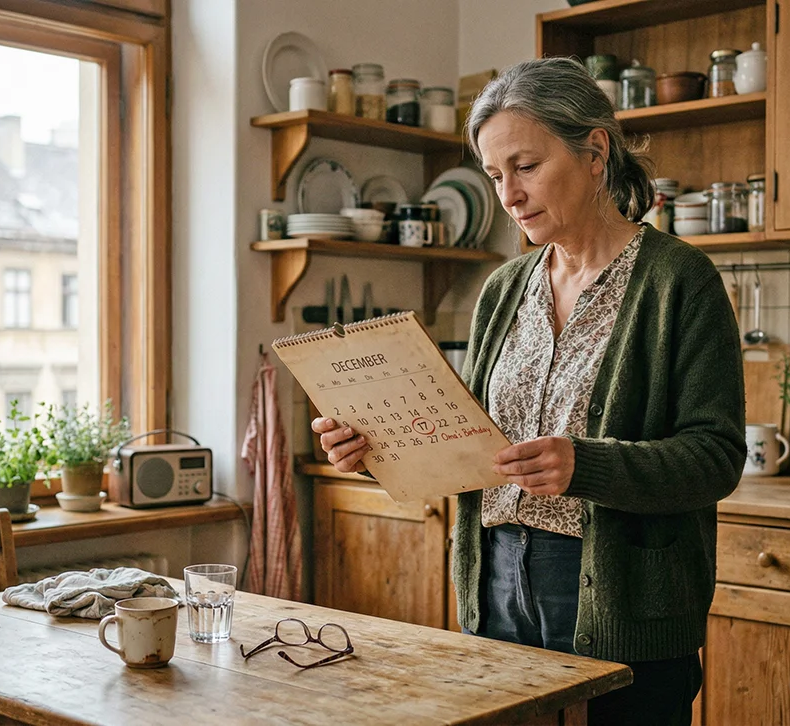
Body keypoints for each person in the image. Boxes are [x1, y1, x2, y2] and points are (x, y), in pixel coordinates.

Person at [313, 57, 745, 726]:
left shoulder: (679, 281)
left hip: (619, 601)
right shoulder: (502, 289)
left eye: (526, 166)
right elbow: (469, 445)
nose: (508, 195)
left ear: (595, 151)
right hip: (495, 583)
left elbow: (715, 457)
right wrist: (374, 444)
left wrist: (585, 464)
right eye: (494, 175)